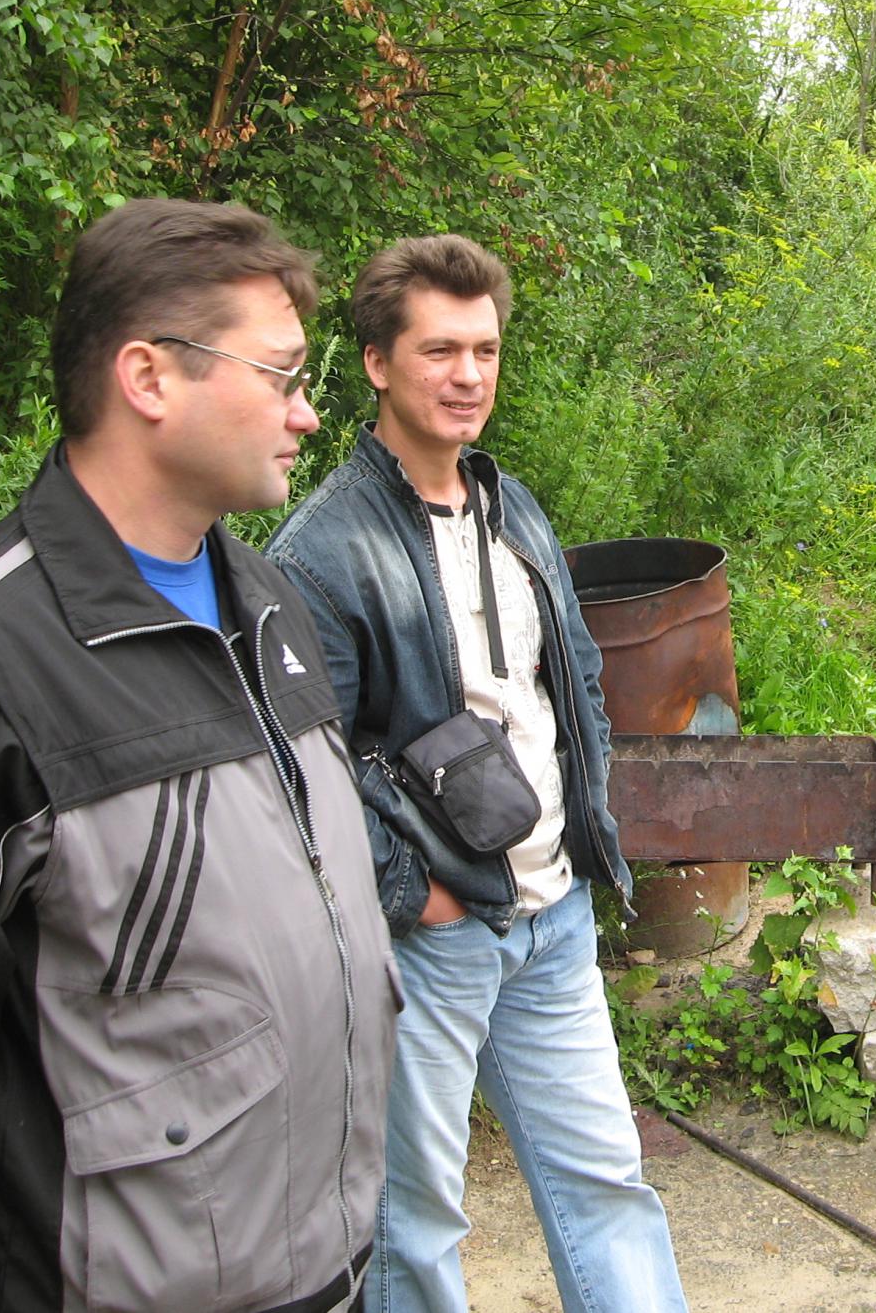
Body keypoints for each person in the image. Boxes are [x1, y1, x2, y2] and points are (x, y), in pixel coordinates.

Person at [0, 199, 396, 1313]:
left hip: (315, 1274)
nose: (308, 409)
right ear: (149, 377)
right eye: (282, 375)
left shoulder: (271, 602)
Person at [270, 234, 685, 1313]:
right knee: (413, 1225)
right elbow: (298, 772)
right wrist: (417, 894)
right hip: (433, 941)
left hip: (554, 921)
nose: (468, 375)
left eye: (486, 350)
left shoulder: (515, 505)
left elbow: (576, 681)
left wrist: (584, 833)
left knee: (607, 1185)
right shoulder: (321, 552)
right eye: (440, 350)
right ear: (376, 362)